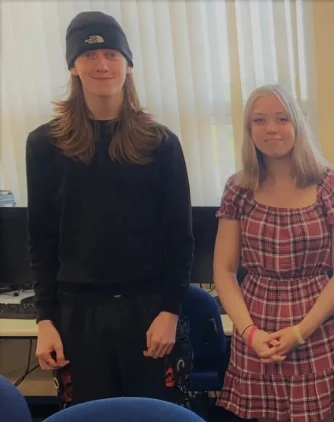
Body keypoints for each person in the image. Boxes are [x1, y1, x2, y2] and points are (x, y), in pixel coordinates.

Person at [26, 11, 194, 405]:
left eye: (112, 54)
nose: (102, 65)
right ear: (73, 67)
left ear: (128, 65)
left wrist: (170, 311)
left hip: (149, 315)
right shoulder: (44, 145)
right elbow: (41, 240)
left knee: (153, 415)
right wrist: (45, 320)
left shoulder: (160, 143)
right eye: (89, 55)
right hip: (78, 316)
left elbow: (180, 237)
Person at [213, 84, 334, 422]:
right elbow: (223, 270)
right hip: (256, 323)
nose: (271, 128)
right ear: (249, 129)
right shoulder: (238, 188)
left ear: (297, 124)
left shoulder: (331, 185)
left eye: (282, 119)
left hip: (316, 321)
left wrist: (299, 332)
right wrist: (249, 332)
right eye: (259, 120)